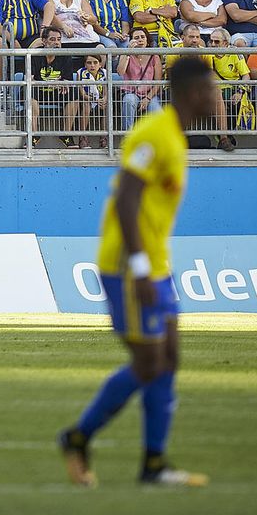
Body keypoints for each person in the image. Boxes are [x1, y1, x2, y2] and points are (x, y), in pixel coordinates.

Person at [59, 55, 219, 488]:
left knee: (168, 359)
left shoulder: (177, 137)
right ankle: (77, 437)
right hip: (131, 266)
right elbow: (127, 198)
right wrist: (140, 267)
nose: (217, 96)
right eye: (211, 89)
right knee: (149, 362)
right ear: (191, 93)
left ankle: (154, 464)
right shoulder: (154, 133)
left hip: (156, 265)